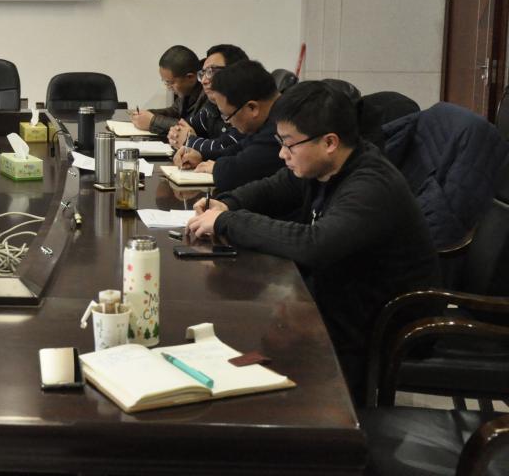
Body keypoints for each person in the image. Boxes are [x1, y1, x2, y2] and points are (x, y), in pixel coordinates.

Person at [186, 81, 440, 400]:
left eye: (289, 144)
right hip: (341, 300)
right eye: (280, 142)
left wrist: (228, 221)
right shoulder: (325, 166)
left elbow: (314, 245)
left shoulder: (370, 185)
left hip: (384, 322)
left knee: (256, 358)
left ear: (329, 142)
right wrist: (227, 204)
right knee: (240, 330)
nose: (282, 154)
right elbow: (275, 187)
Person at [177, 59, 285, 192]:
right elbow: (240, 148)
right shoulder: (269, 118)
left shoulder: (284, 124)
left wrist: (217, 168)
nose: (228, 122)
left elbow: (242, 169)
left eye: (227, 115)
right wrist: (201, 156)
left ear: (252, 108)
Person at [169, 43, 247, 160]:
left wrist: (188, 141)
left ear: (235, 72)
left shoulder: (246, 108)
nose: (204, 81)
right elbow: (181, 129)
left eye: (212, 72)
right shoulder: (212, 106)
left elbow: (224, 148)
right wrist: (179, 136)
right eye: (203, 73)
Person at [131, 45, 206, 136]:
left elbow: (192, 128)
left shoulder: (209, 93)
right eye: (165, 82)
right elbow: (175, 111)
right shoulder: (188, 91)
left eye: (170, 82)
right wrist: (148, 114)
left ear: (190, 77)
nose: (168, 87)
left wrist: (152, 121)